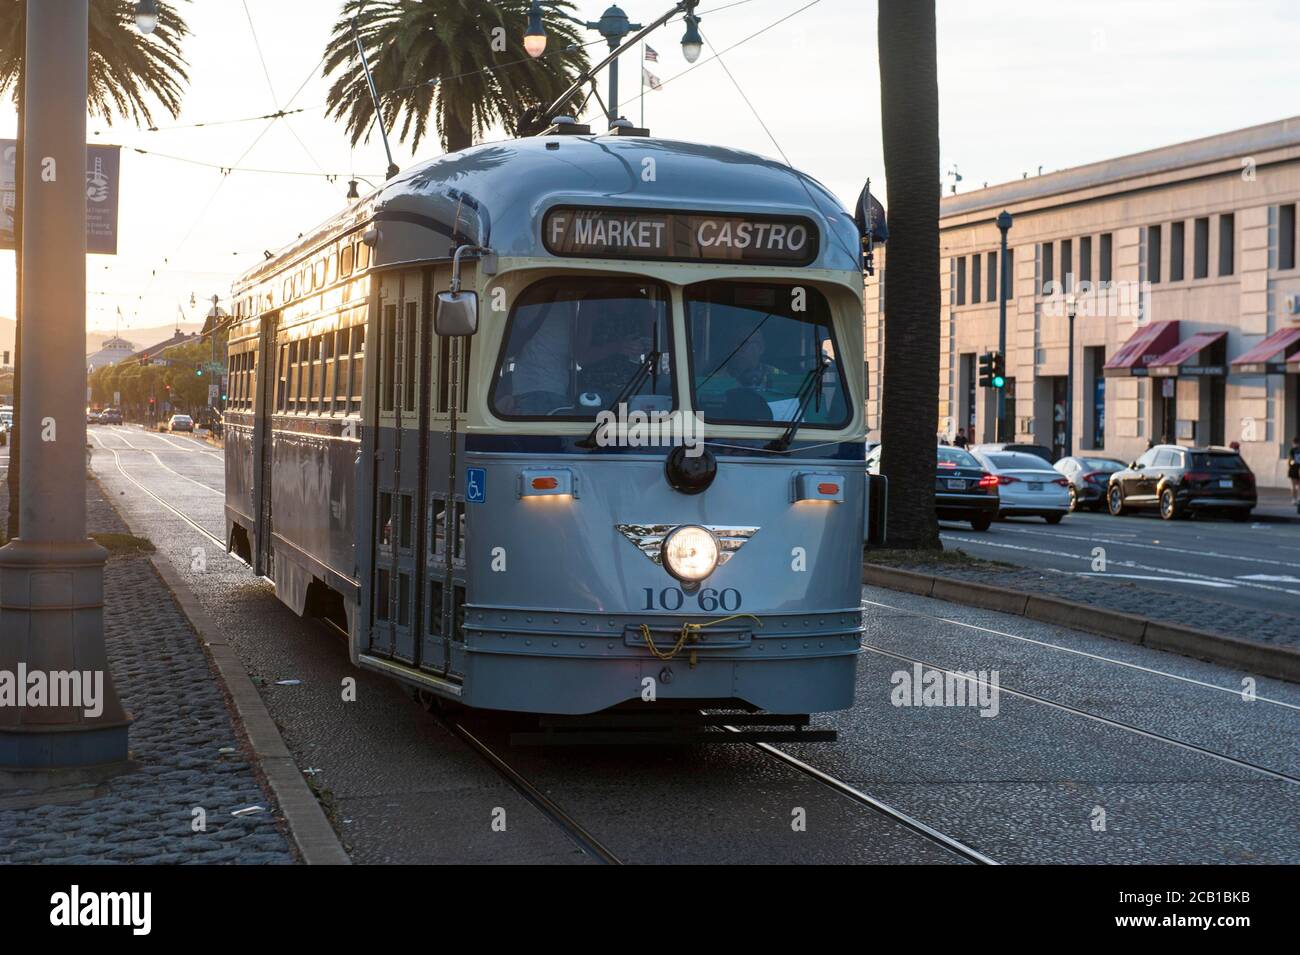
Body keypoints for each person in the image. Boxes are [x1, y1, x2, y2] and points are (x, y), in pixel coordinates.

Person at [1288, 435, 1300, 504]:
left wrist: (1291, 463)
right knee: (1299, 485)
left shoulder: (1292, 450)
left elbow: (1290, 460)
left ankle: (1293, 499)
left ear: (1294, 443)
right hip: (1299, 468)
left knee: (1293, 485)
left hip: (1293, 469)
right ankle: (1298, 498)